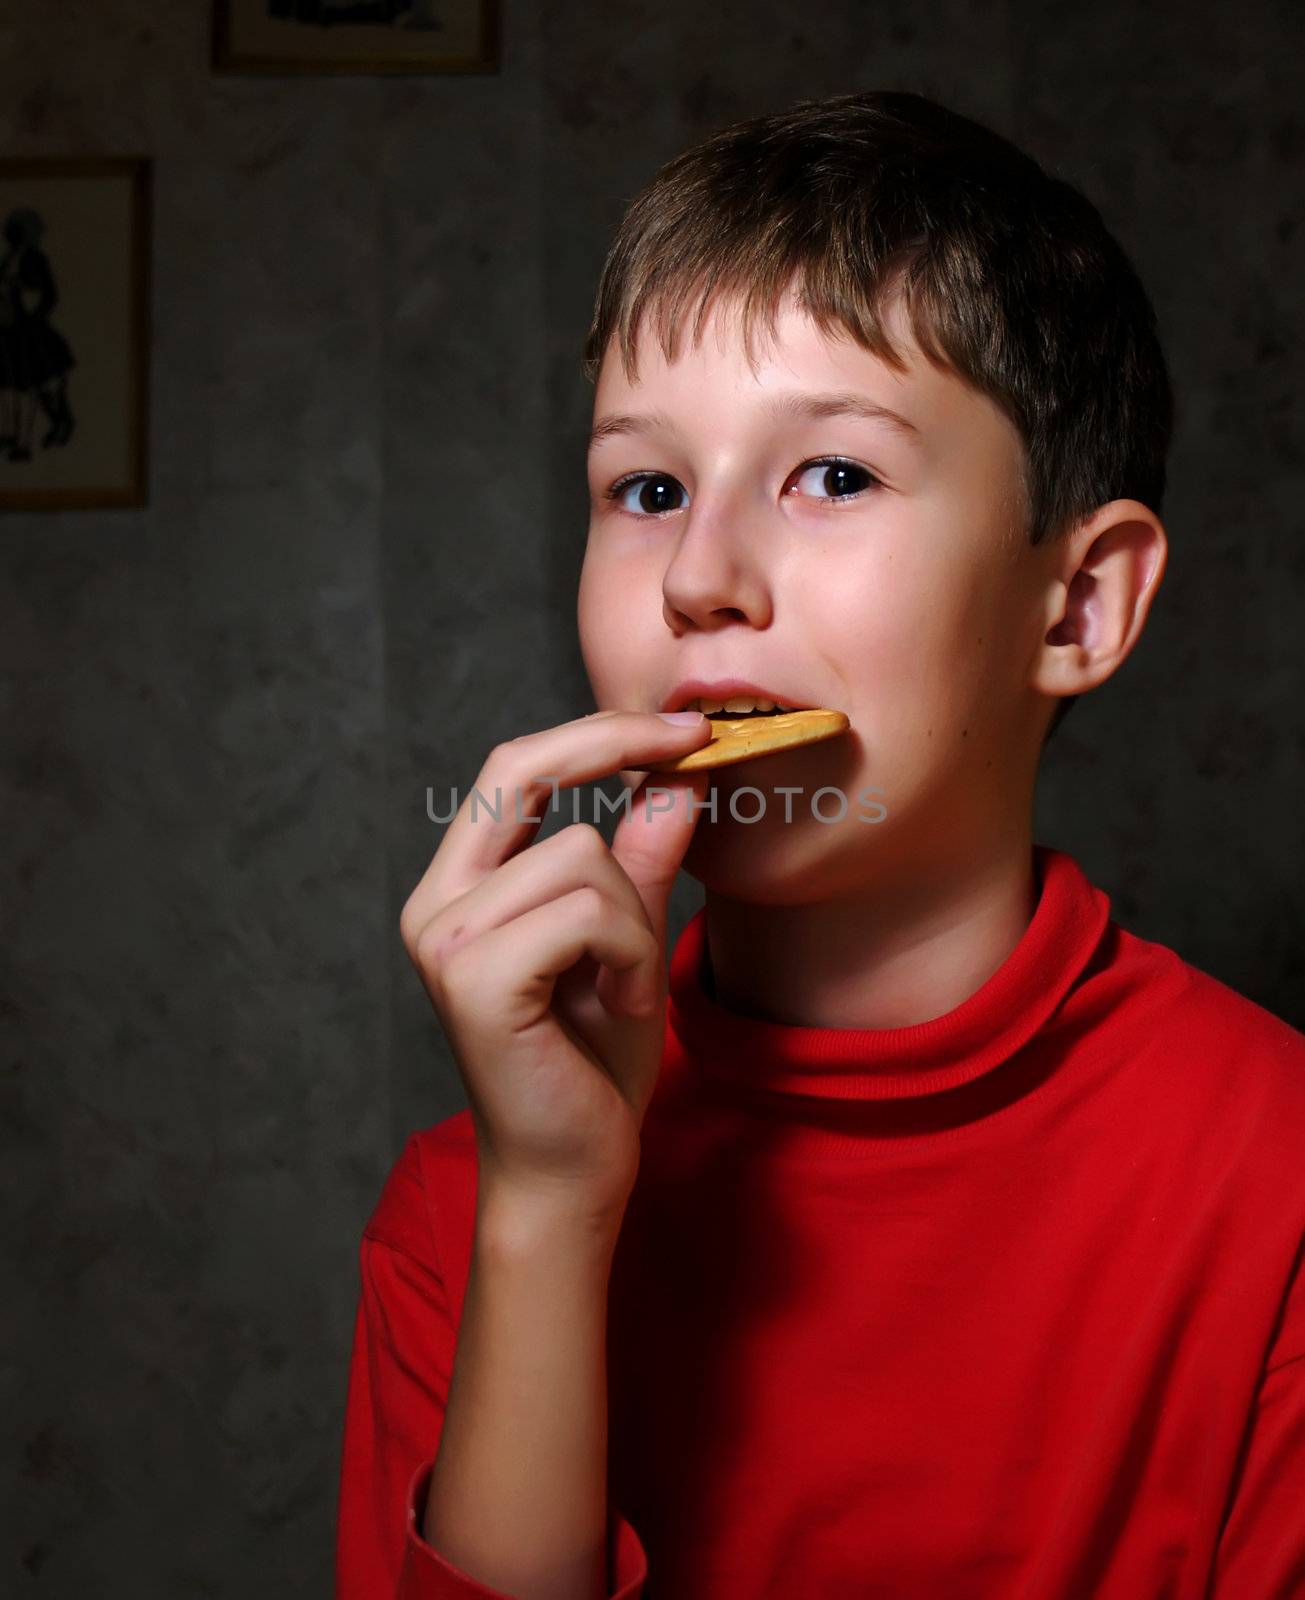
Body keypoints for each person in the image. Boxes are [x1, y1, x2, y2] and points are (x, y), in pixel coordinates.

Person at [334, 90, 1305, 1599]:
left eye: (832, 474)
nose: (700, 578)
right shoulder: (465, 1211)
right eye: (645, 490)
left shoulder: (1277, 1176)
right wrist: (546, 1217)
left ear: (1076, 607)